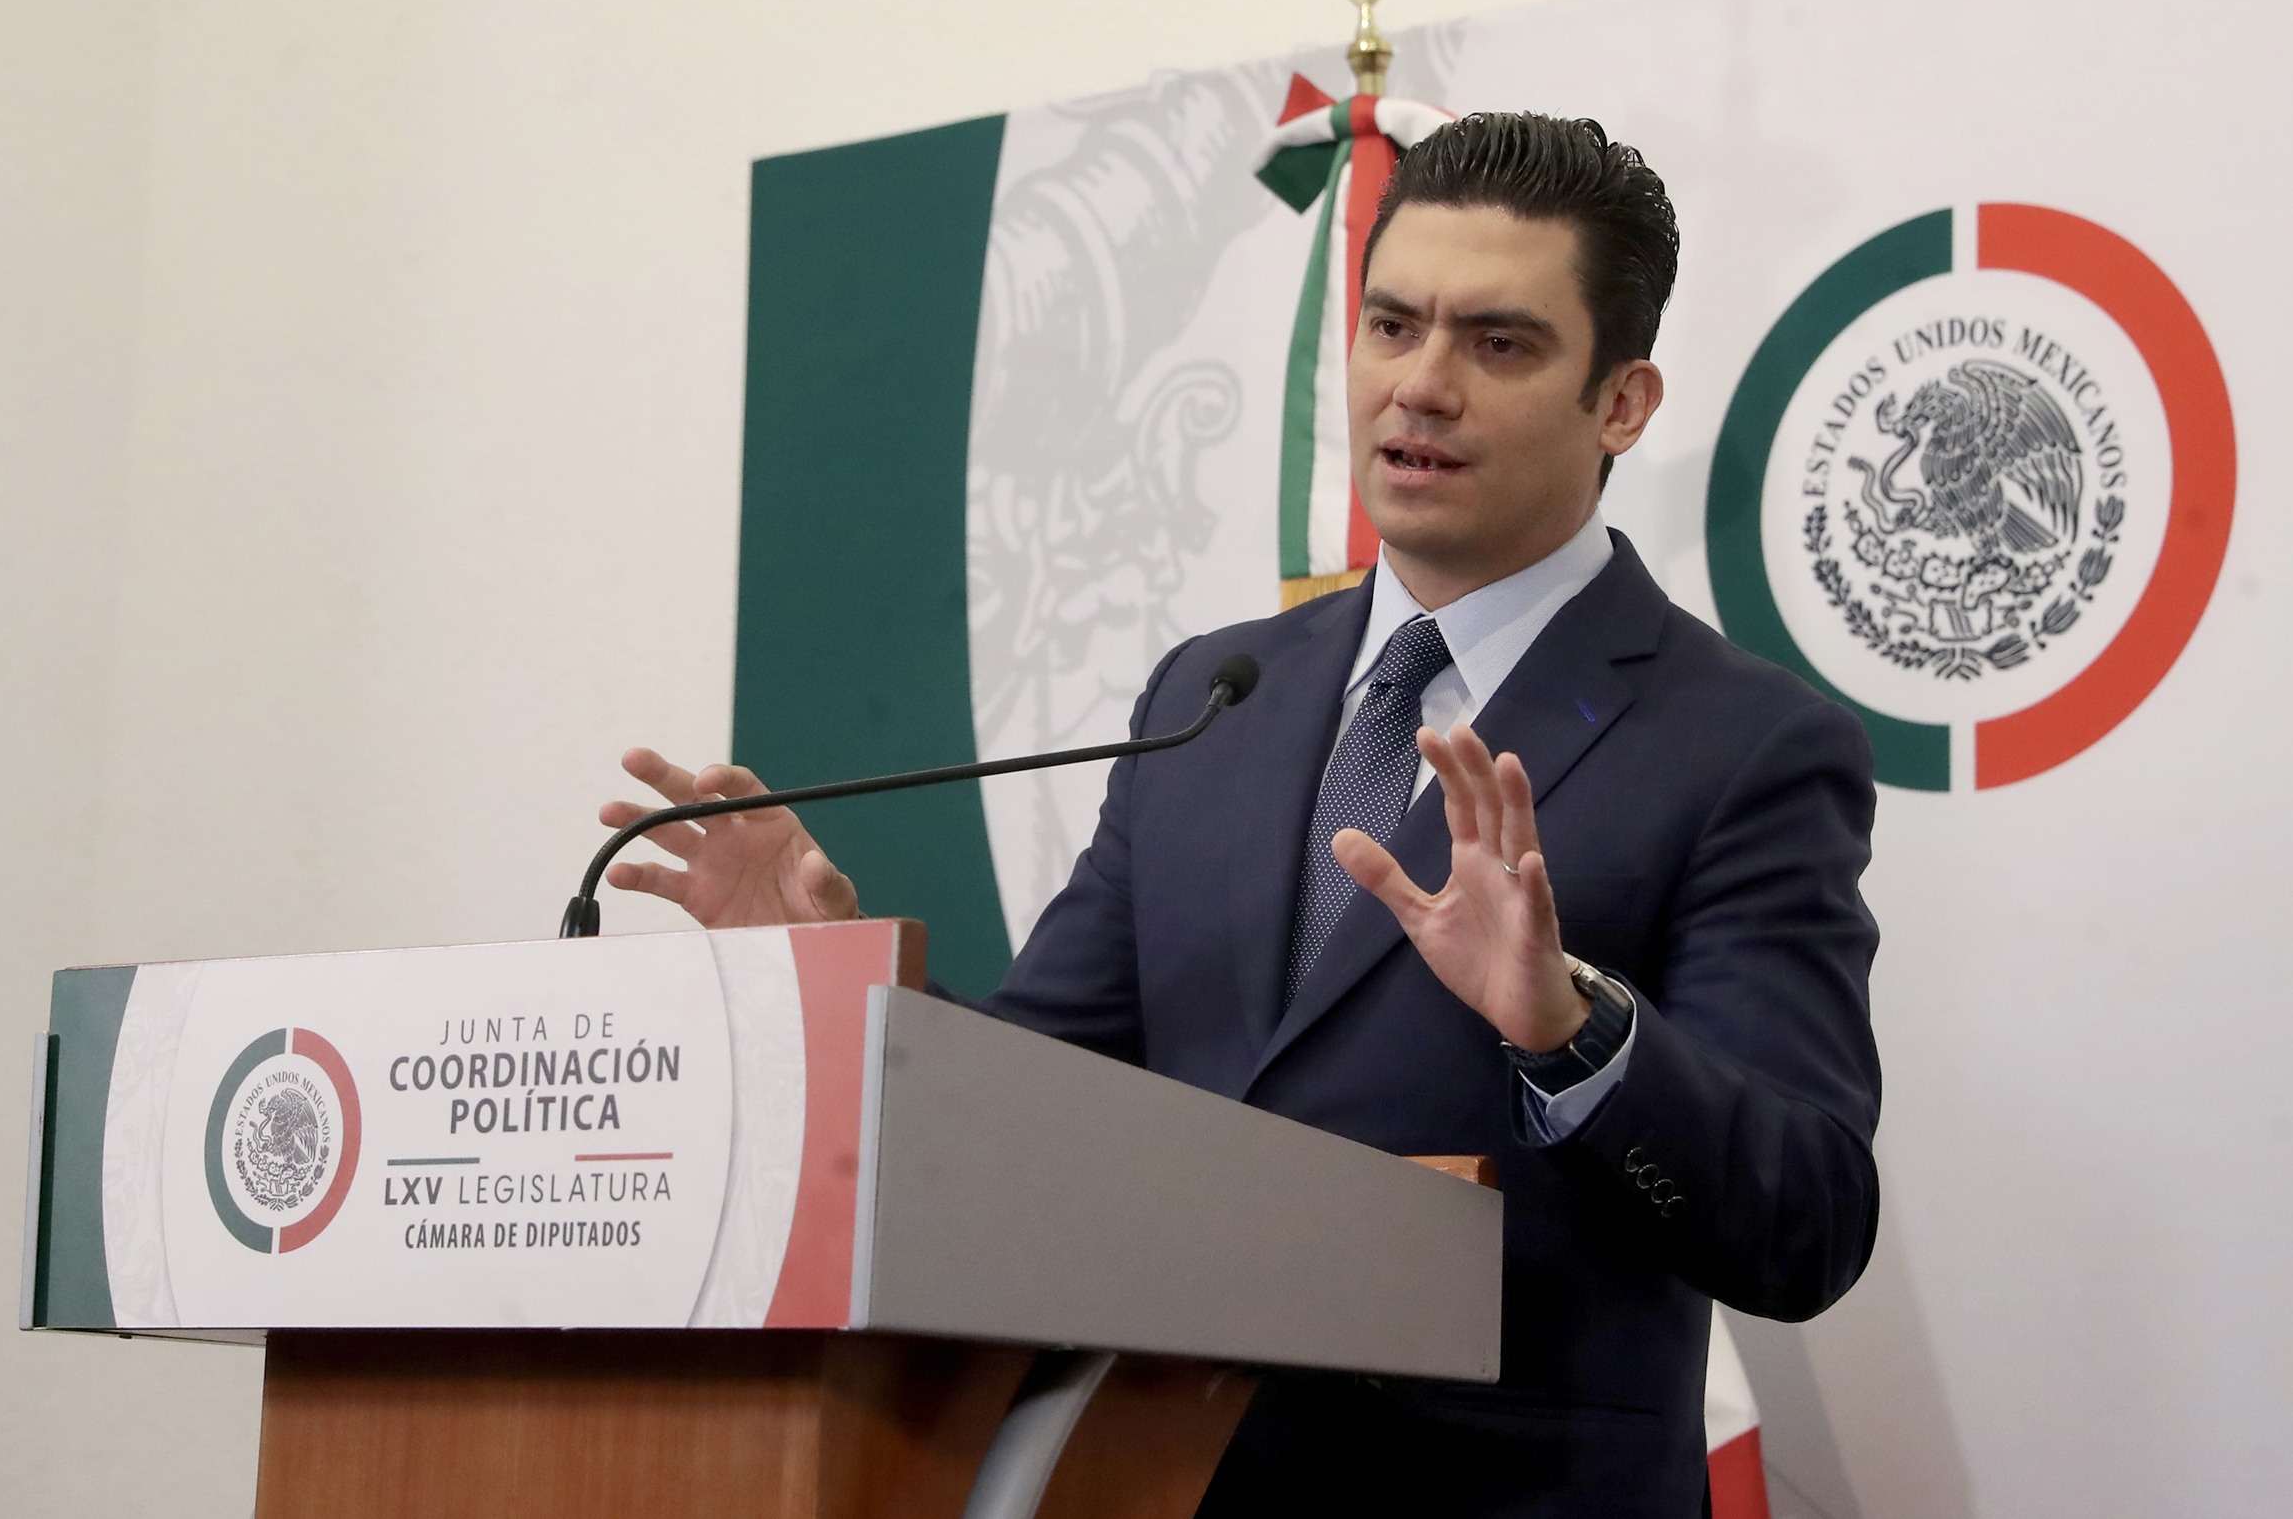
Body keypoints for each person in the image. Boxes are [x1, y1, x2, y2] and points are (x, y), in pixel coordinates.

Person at [599, 113, 1881, 1517]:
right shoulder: (1214, 696)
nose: (1422, 386)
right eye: (1391, 326)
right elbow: (1036, 1095)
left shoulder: (1744, 743)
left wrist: (1569, 1029)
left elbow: (1804, 1221)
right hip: (1147, 1484)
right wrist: (829, 978)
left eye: (1499, 343)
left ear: (1622, 404)